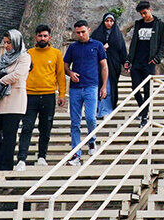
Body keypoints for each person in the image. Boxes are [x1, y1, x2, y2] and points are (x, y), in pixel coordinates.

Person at [18, 25, 65, 169]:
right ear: (35, 37)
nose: (42, 38)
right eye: (40, 36)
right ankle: (21, 159)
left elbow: (60, 75)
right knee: (27, 127)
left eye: (45, 36)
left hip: (48, 95)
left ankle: (42, 157)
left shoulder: (56, 53)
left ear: (49, 37)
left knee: (45, 128)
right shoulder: (28, 54)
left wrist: (62, 94)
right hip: (30, 95)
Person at [0, 29, 30, 172]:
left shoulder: (24, 57)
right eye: (5, 42)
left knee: (9, 135)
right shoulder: (3, 58)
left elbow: (18, 75)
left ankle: (6, 167)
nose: (6, 46)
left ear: (16, 42)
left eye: (9, 42)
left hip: (14, 100)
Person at [63, 20, 108, 165]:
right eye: (78, 33)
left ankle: (92, 140)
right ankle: (76, 154)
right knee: (75, 122)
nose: (81, 35)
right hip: (75, 88)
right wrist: (70, 73)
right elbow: (65, 65)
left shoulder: (97, 45)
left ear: (88, 30)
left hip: (91, 86)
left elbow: (104, 66)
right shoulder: (72, 47)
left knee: (90, 118)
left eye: (83, 32)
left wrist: (104, 86)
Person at [126, 2, 164, 125]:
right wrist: (129, 59)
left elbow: (162, 44)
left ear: (150, 10)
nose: (143, 15)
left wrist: (156, 58)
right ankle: (143, 109)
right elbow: (134, 43)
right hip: (137, 61)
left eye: (145, 13)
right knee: (135, 88)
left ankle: (144, 116)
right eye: (141, 14)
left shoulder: (159, 24)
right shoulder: (138, 24)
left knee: (147, 89)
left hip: (149, 62)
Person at [92, 12, 128, 118]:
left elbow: (122, 50)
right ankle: (97, 110)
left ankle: (106, 110)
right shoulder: (97, 34)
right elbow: (90, 48)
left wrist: (125, 63)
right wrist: (101, 48)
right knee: (98, 87)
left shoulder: (117, 35)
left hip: (113, 66)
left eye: (111, 21)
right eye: (107, 21)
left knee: (109, 88)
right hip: (98, 66)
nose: (109, 23)